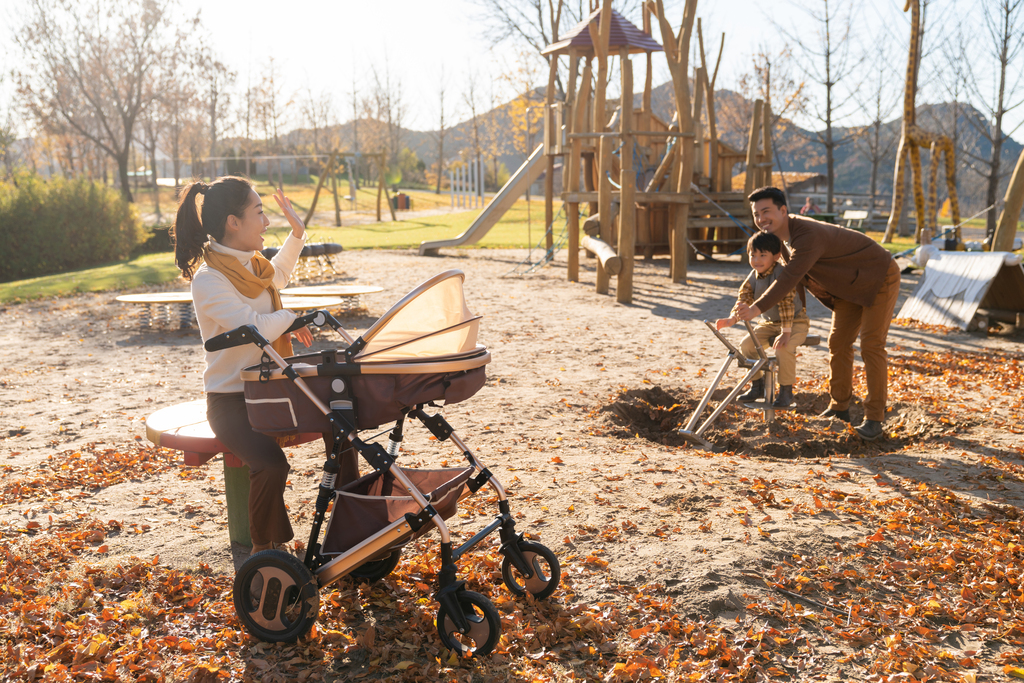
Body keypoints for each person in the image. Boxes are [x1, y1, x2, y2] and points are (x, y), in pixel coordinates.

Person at [173, 176, 357, 554]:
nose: (266, 221)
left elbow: (278, 276)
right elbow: (253, 326)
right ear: (233, 222)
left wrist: (298, 233)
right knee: (270, 465)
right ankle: (263, 550)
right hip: (231, 400)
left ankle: (352, 520)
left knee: (342, 423)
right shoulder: (210, 280)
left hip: (272, 386)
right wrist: (289, 316)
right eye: (259, 212)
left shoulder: (252, 266)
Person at [736, 187, 900, 441]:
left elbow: (789, 279)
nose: (761, 219)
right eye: (756, 214)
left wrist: (756, 308)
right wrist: (789, 323)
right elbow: (795, 284)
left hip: (879, 275)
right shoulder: (780, 242)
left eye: (766, 211)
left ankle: (874, 418)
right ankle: (839, 408)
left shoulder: (806, 234)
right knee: (838, 343)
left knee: (871, 346)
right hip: (848, 287)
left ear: (783, 210)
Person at [716, 231, 809, 409]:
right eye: (753, 255)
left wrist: (786, 333)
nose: (756, 260)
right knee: (747, 346)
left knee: (784, 348)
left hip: (795, 322)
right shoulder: (754, 275)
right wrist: (732, 319)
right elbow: (744, 298)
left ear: (776, 256)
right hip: (769, 323)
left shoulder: (782, 274)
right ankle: (757, 386)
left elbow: (786, 304)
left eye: (762, 255)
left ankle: (786, 391)